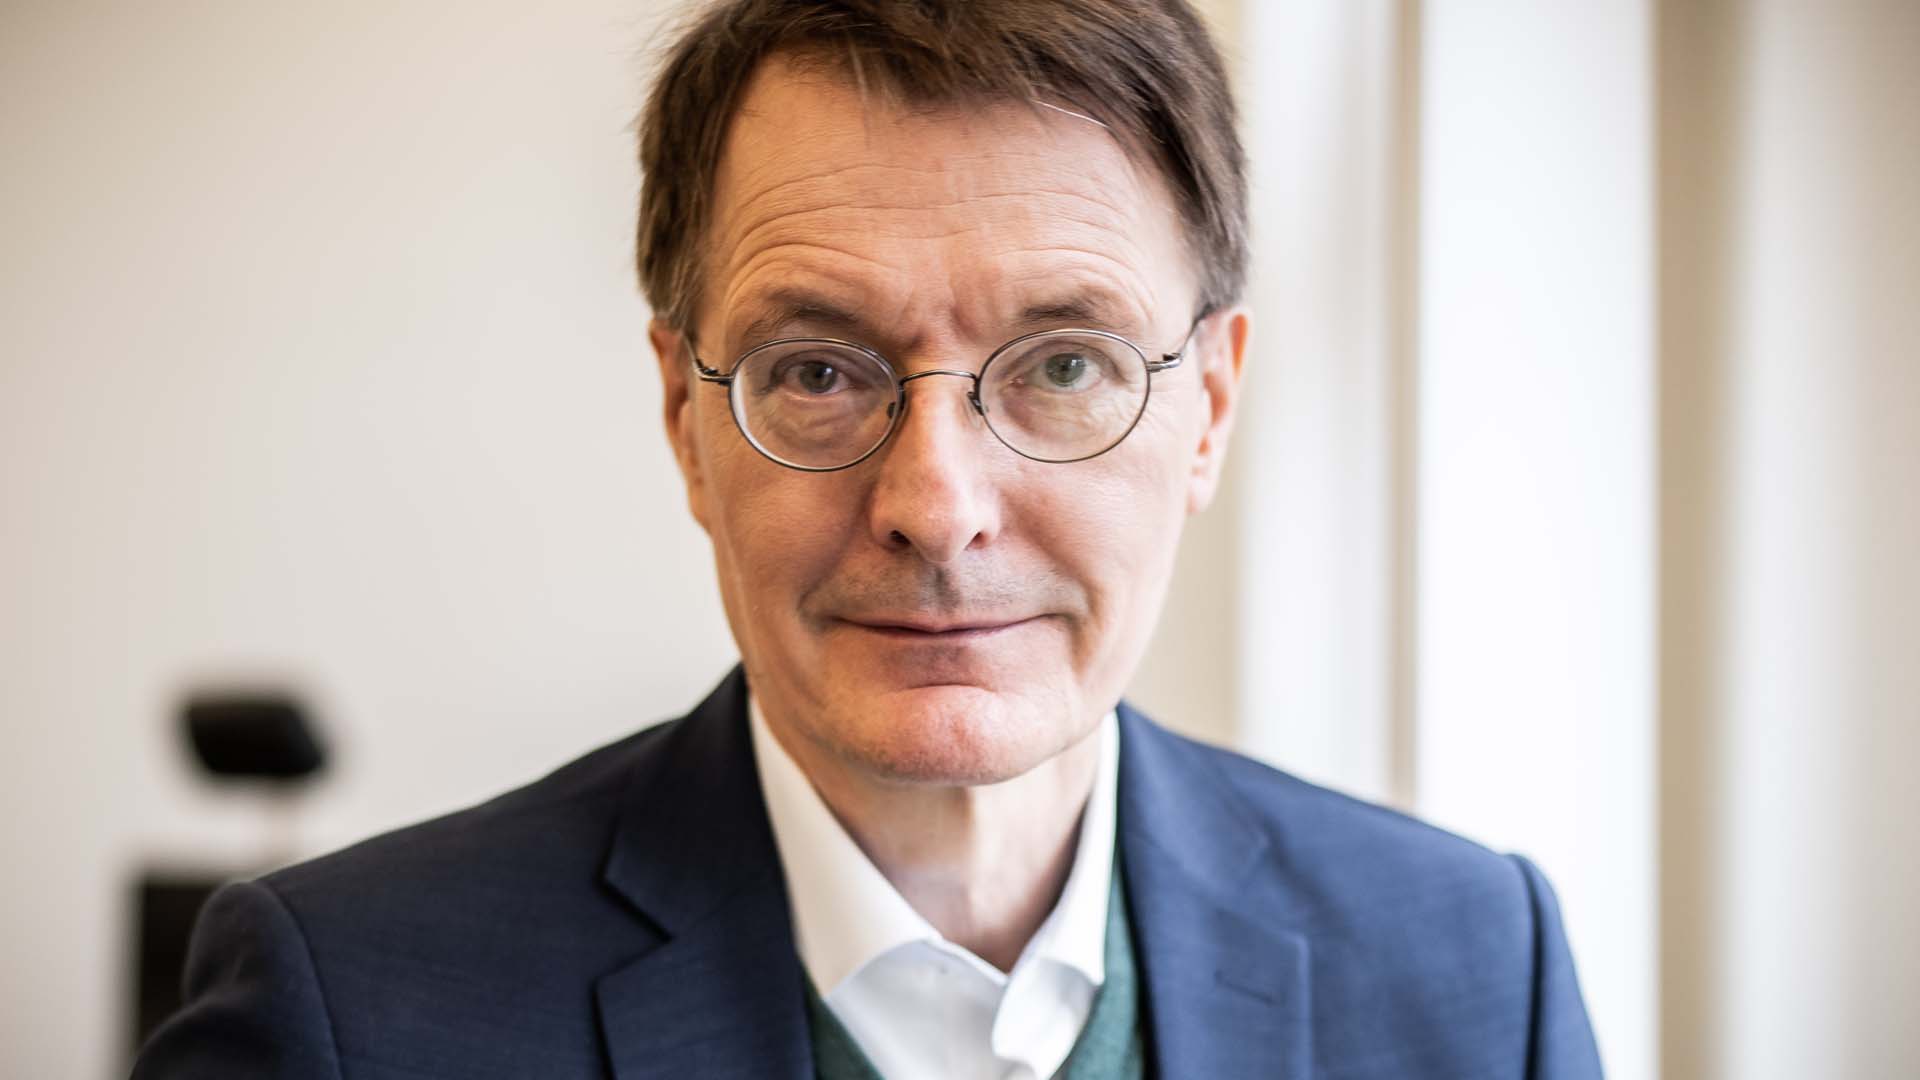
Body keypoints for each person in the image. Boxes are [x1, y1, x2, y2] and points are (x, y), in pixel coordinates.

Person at [135, 1, 1604, 1077]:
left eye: (1065, 364)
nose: (938, 505)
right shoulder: (346, 1016)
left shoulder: (1476, 973)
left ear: (1208, 408)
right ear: (685, 418)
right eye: (820, 371)